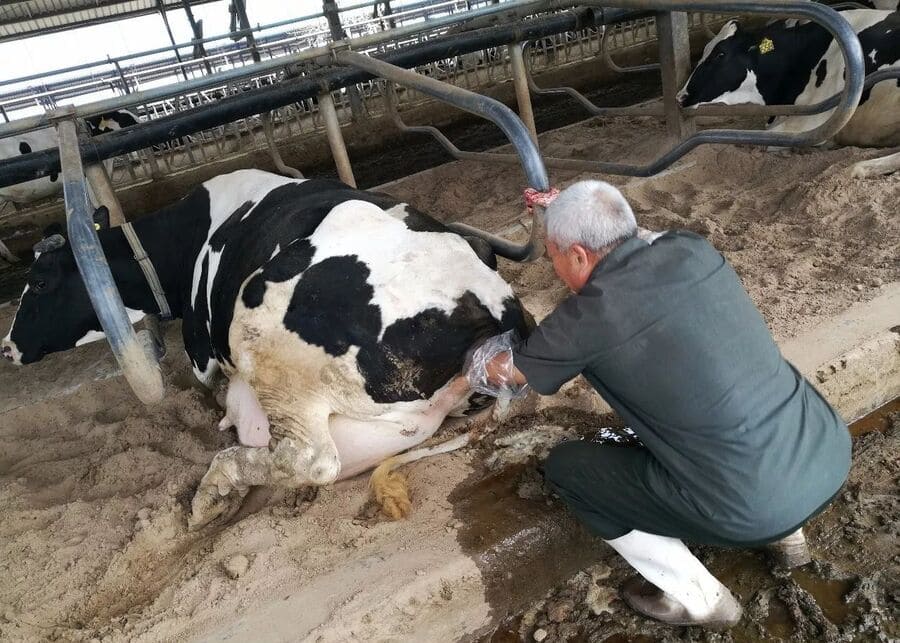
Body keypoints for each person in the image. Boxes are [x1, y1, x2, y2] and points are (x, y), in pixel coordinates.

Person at [465, 180, 851, 629]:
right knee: (735, 394)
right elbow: (639, 236)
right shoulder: (693, 249)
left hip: (748, 508)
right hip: (827, 450)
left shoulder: (584, 320)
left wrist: (471, 358)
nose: (554, 267)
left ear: (577, 255)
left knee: (568, 470)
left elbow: (504, 372)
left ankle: (700, 599)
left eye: (552, 255)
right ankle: (789, 540)